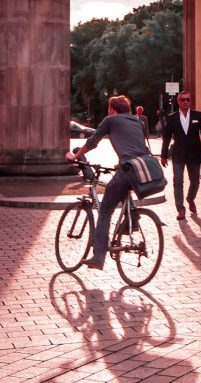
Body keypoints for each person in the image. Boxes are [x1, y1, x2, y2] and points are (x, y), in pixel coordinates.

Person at [64, 94, 154, 270]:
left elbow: (92, 142)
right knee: (122, 187)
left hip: (128, 169)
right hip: (141, 168)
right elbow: (137, 146)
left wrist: (75, 156)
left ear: (112, 109)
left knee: (105, 211)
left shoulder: (110, 120)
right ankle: (131, 219)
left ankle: (98, 257)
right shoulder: (137, 122)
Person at [160, 91, 201, 220]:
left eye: (187, 99)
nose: (185, 102)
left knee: (195, 181)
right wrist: (164, 155)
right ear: (178, 101)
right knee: (178, 182)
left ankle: (190, 198)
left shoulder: (198, 115)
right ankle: (180, 209)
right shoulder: (171, 118)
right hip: (178, 154)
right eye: (183, 100)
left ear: (190, 101)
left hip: (194, 154)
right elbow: (166, 138)